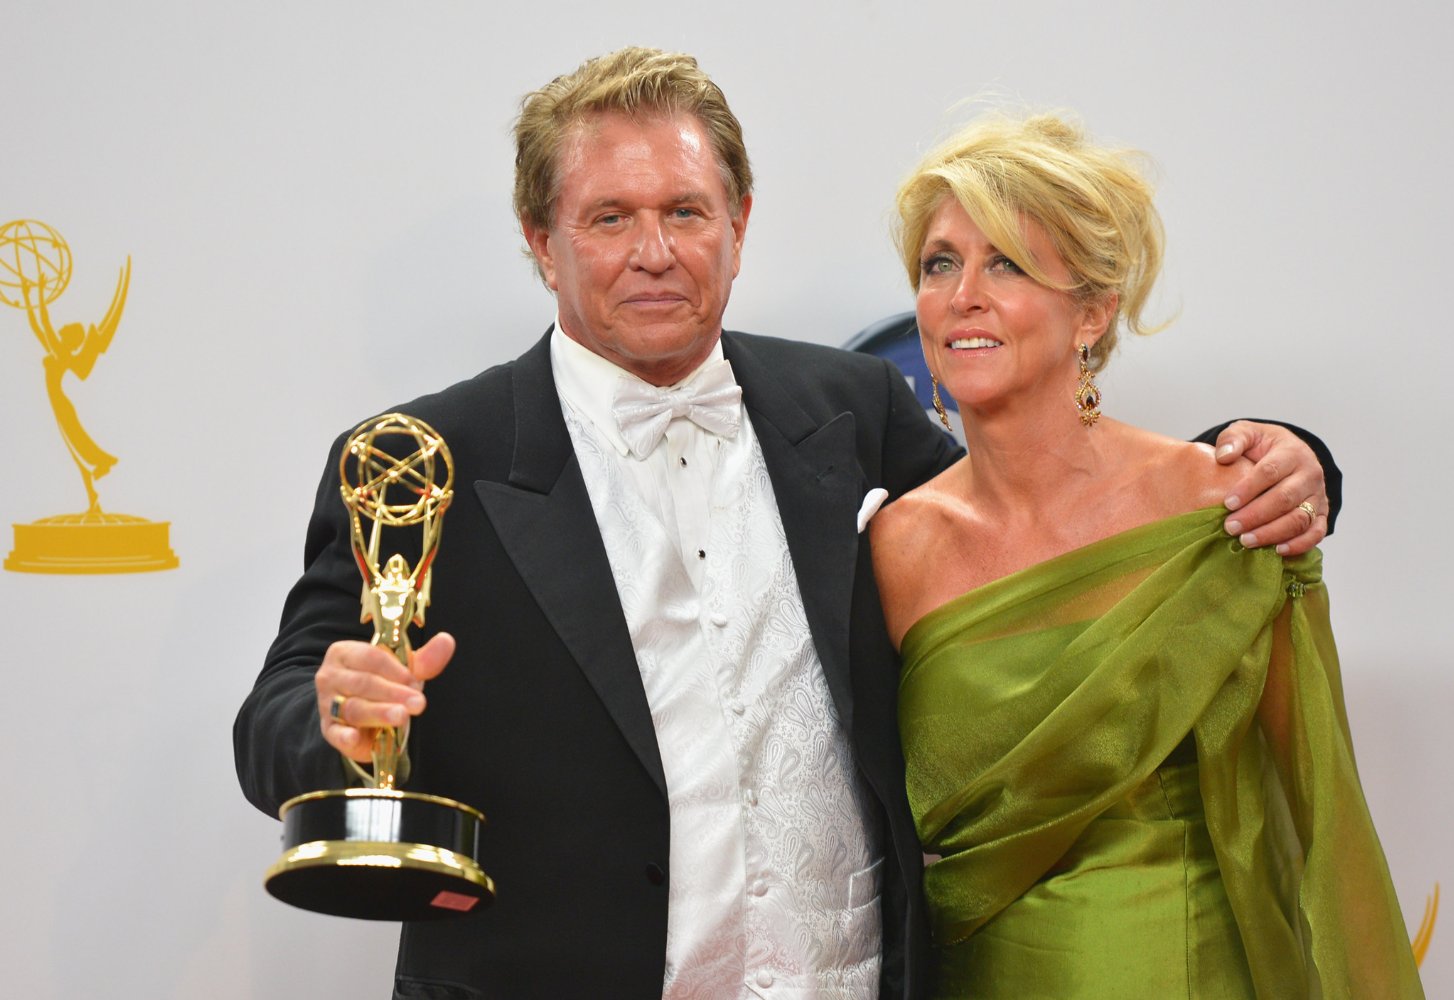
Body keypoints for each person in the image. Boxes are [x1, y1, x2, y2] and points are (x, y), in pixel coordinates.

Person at [234, 49, 1335, 999]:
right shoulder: (426, 460)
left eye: (684, 211)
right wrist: (328, 711)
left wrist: (1278, 454)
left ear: (739, 223)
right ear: (539, 238)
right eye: (608, 218)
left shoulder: (847, 410)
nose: (653, 251)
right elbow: (279, 707)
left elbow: (1045, 519)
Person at [870, 113, 1421, 998]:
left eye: (1006, 262)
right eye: (941, 264)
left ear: (1091, 311)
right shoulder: (889, 549)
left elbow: (1322, 807)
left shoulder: (1224, 508)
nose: (962, 293)